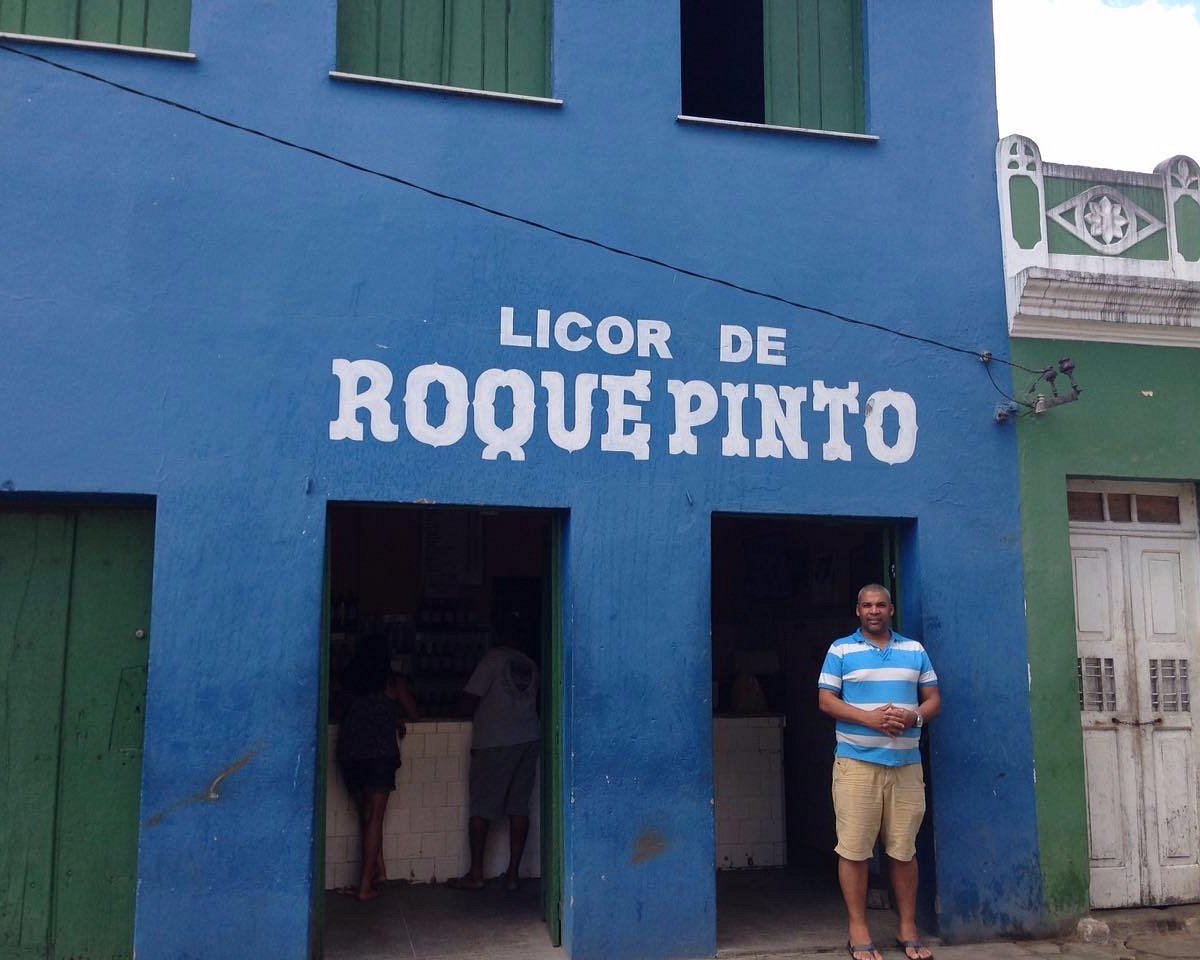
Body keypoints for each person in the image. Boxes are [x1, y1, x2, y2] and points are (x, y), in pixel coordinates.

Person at [817, 584, 941, 960]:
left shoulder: (914, 650)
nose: (874, 611)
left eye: (880, 605)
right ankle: (858, 928)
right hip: (856, 764)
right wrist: (868, 718)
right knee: (854, 850)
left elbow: (933, 699)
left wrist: (913, 715)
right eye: (867, 605)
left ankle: (908, 927)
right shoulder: (841, 649)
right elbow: (825, 700)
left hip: (905, 766)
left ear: (891, 609)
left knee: (903, 851)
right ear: (857, 610)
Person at [447, 619, 540, 892]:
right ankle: (512, 876)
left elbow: (469, 699)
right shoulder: (531, 665)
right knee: (519, 808)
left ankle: (476, 874)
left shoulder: (492, 659)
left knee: (481, 809)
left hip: (494, 743)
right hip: (528, 740)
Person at [337, 669, 419, 901]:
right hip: (380, 756)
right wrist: (395, 714)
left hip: (350, 754)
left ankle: (379, 871)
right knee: (374, 818)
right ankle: (364, 887)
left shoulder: (350, 681)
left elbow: (344, 713)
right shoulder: (393, 682)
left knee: (367, 816)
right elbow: (415, 712)